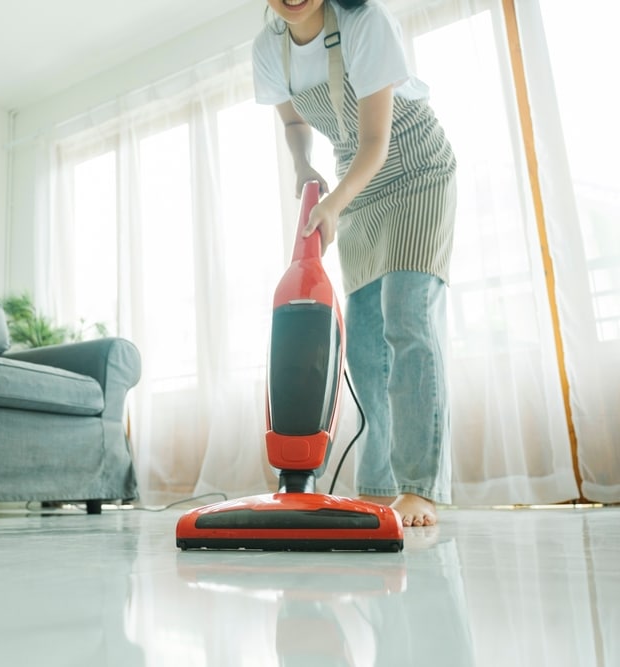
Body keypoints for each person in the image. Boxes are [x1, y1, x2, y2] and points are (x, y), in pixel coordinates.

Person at [253, 0, 456, 526]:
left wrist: (332, 204)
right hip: (354, 186)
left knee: (407, 316)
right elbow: (294, 120)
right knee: (364, 342)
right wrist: (302, 165)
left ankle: (418, 488)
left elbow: (376, 140)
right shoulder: (266, 48)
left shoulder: (367, 23)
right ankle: (379, 488)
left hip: (413, 169)